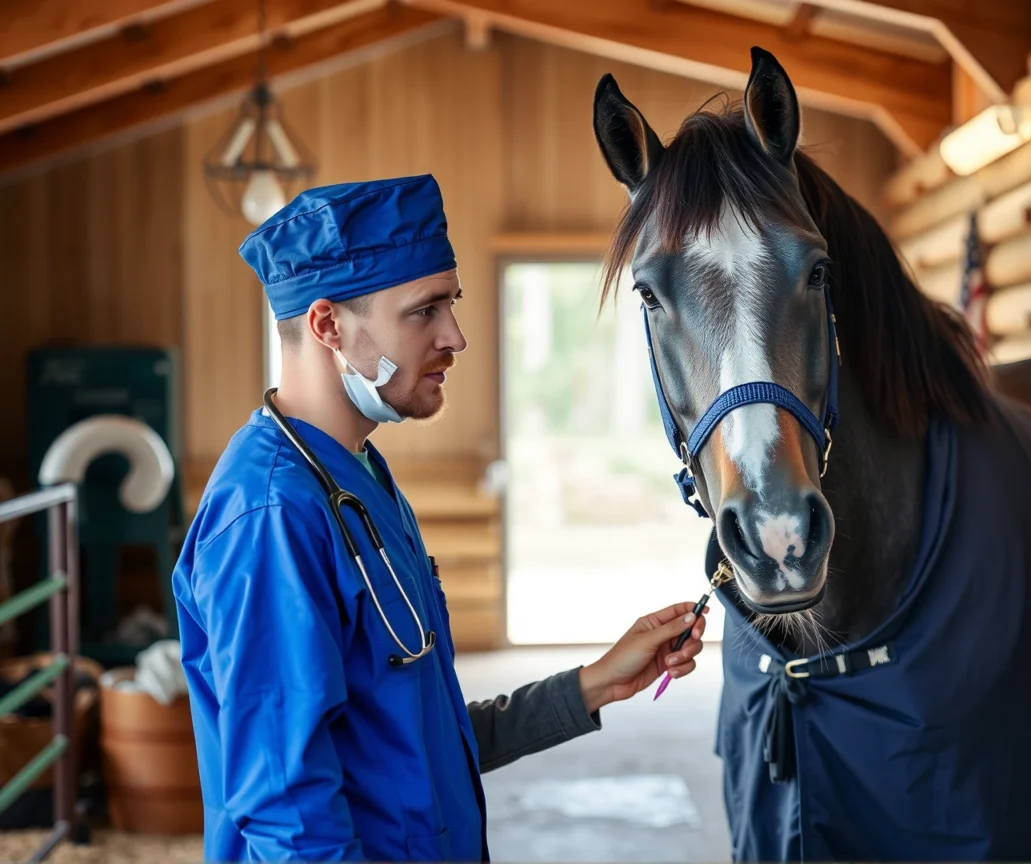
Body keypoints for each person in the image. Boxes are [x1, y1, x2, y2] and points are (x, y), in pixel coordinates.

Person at [172, 174, 709, 863]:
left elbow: (417, 740)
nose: (455, 335)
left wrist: (599, 682)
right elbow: (290, 820)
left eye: (451, 304)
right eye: (424, 311)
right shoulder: (272, 517)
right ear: (329, 325)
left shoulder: (359, 476)